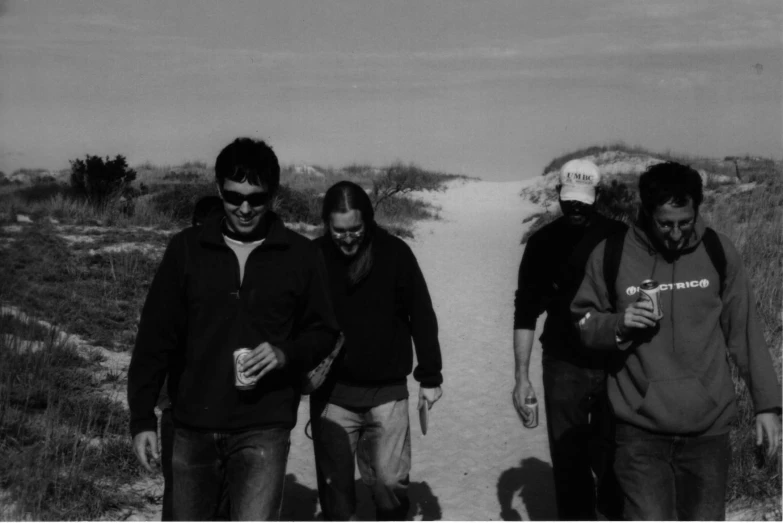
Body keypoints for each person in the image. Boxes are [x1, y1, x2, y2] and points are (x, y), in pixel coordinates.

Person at [128, 137, 340, 521]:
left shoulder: (300, 255)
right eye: (233, 196)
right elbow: (155, 337)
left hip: (265, 427)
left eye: (256, 198)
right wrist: (141, 417)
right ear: (218, 190)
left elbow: (323, 331)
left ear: (273, 195)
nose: (244, 208)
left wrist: (284, 353)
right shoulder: (186, 249)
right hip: (192, 424)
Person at [571, 161, 781, 520]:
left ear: (696, 209)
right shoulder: (612, 254)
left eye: (685, 222)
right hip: (638, 430)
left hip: (708, 431)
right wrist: (619, 324)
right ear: (645, 212)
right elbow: (584, 321)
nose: (676, 234)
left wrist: (767, 405)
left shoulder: (718, 251)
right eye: (665, 224)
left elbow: (744, 332)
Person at [310, 181, 443, 521]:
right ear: (327, 224)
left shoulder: (395, 253)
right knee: (335, 490)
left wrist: (430, 375)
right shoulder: (313, 257)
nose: (347, 238)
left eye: (355, 229)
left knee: (389, 483)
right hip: (331, 397)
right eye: (338, 231)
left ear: (367, 220)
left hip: (387, 394)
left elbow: (422, 313)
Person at [512, 159, 626, 520]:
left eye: (583, 200)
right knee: (568, 462)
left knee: (617, 459)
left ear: (599, 196)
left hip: (616, 363)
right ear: (558, 193)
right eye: (569, 199)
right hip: (562, 363)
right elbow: (525, 313)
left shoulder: (622, 238)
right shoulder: (542, 242)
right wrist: (521, 378)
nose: (575, 207)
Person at [156, 193, 233, 521]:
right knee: (179, 491)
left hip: (225, 409)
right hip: (180, 405)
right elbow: (157, 339)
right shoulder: (179, 268)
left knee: (222, 496)